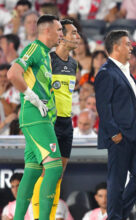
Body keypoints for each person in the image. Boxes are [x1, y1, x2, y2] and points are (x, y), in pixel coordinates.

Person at [6, 14, 63, 220]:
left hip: (40, 118)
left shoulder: (46, 54)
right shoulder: (35, 48)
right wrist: (32, 97)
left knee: (31, 172)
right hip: (35, 116)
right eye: (59, 30)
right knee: (55, 168)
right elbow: (13, 73)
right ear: (46, 30)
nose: (61, 34)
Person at [94, 30, 136, 220]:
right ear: (116, 46)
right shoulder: (106, 73)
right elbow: (103, 106)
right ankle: (115, 217)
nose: (131, 47)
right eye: (127, 44)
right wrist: (113, 133)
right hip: (119, 135)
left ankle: (117, 214)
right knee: (117, 181)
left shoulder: (125, 71)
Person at [30, 18, 80, 220]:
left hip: (66, 122)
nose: (78, 37)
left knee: (58, 176)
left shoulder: (74, 63)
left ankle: (49, 216)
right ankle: (37, 216)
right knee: (45, 174)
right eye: (73, 33)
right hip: (49, 121)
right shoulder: (48, 60)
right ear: (61, 38)